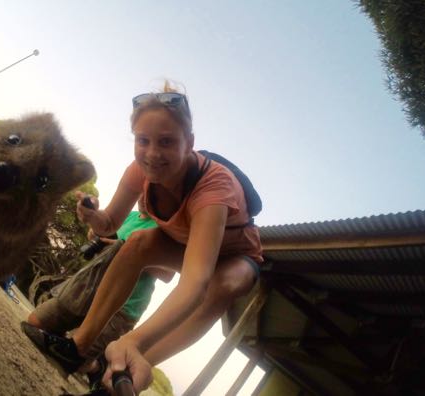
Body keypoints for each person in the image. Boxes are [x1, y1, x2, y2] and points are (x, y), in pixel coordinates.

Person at [35, 82, 263, 393]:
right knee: (138, 242)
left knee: (222, 285)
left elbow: (195, 284)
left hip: (235, 256)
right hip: (183, 244)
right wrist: (92, 216)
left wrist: (133, 339)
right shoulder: (138, 171)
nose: (153, 154)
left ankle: (131, 367)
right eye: (143, 140)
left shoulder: (213, 187)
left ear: (189, 142)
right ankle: (77, 345)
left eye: (167, 142)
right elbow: (109, 224)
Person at [22, 210, 172, 392]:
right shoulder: (131, 216)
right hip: (89, 289)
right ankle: (87, 357)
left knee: (73, 359)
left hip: (124, 307)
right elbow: (105, 236)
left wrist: (126, 250)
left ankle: (95, 366)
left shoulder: (164, 230)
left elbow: (167, 274)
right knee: (35, 321)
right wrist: (98, 235)